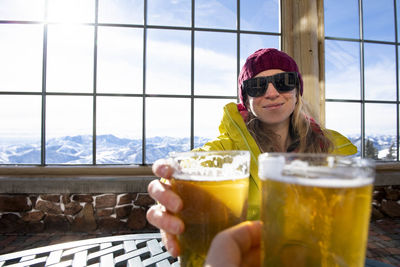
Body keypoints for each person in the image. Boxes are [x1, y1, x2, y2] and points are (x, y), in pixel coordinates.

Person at [146, 48, 357, 258]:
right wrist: (171, 200)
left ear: (297, 91)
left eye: (284, 81)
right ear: (246, 99)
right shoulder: (227, 150)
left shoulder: (331, 146)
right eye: (257, 86)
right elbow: (188, 171)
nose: (272, 92)